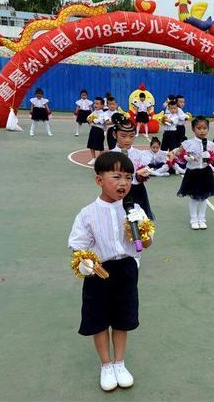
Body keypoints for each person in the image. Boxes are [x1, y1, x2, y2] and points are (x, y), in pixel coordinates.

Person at [68, 151, 153, 391]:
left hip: (126, 270)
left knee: (122, 319)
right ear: (99, 180)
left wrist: (143, 231)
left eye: (128, 177)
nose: (123, 183)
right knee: (99, 319)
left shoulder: (133, 209)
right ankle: (106, 365)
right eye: (116, 176)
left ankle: (120, 363)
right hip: (99, 272)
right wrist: (84, 263)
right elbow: (78, 245)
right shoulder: (87, 214)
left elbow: (145, 244)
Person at [176, 116, 214, 230]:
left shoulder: (210, 144)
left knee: (204, 198)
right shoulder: (187, 143)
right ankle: (193, 218)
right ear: (193, 129)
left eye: (204, 128)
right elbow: (178, 154)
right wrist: (185, 157)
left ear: (208, 129)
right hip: (193, 173)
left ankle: (202, 218)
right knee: (194, 197)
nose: (202, 130)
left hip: (205, 173)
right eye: (199, 128)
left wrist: (210, 158)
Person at [111, 116, 154, 219]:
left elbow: (142, 172)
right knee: (120, 220)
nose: (128, 140)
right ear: (114, 135)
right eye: (123, 136)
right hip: (118, 191)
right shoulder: (110, 155)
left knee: (139, 220)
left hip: (137, 191)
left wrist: (142, 176)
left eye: (131, 136)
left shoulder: (140, 154)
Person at [87, 97, 110, 165]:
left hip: (99, 131)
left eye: (97, 103)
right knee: (91, 145)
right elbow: (88, 118)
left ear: (102, 105)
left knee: (100, 146)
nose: (95, 105)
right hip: (93, 130)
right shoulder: (94, 112)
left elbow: (101, 121)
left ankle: (100, 159)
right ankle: (93, 158)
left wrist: (94, 120)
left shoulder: (104, 114)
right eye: (94, 103)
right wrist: (90, 119)